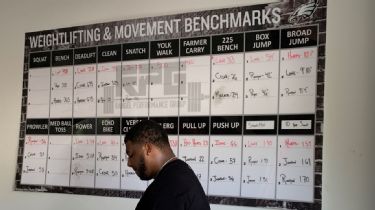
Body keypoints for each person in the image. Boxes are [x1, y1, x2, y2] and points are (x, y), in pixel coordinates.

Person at [125, 119, 210, 210]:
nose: (129, 163)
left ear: (148, 149)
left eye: (131, 155)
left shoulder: (168, 190)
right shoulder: (179, 173)